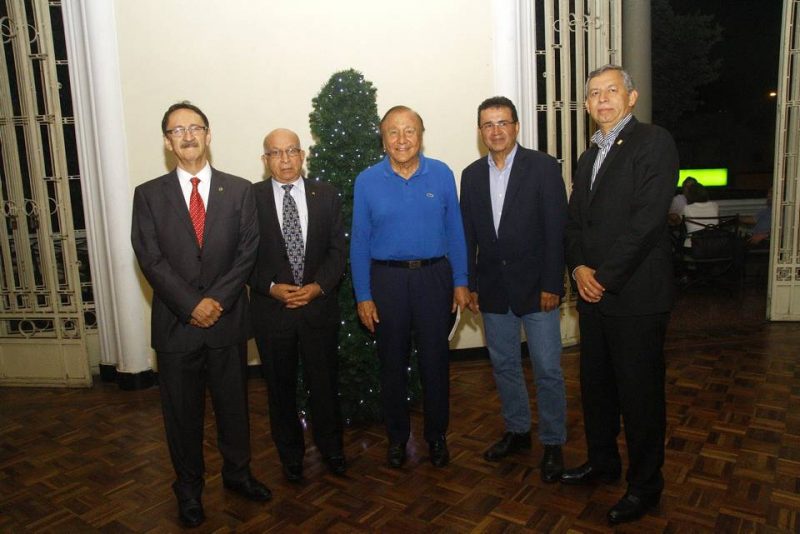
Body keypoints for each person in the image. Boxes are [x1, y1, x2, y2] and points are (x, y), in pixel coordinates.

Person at [131, 102, 270, 528]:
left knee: (233, 408)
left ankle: (238, 475)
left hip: (227, 323)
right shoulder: (148, 194)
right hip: (176, 326)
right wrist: (191, 305)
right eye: (177, 130)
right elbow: (149, 258)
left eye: (195, 128)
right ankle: (189, 491)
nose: (187, 136)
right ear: (167, 142)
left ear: (209, 135)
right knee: (182, 416)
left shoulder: (240, 189)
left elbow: (247, 253)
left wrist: (217, 302)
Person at [562, 65, 678, 525]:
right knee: (598, 390)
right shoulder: (588, 157)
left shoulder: (654, 142)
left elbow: (648, 222)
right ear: (587, 105)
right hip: (593, 296)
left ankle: (646, 485)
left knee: (641, 397)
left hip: (635, 297)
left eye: (612, 91)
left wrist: (603, 276)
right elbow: (574, 224)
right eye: (594, 94)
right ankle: (603, 462)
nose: (602, 100)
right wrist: (577, 268)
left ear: (631, 98)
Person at [350, 105, 470, 469]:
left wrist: (461, 281)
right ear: (383, 139)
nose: (402, 139)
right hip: (386, 281)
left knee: (435, 364)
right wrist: (363, 295)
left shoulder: (442, 174)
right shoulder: (367, 180)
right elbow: (359, 241)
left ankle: (436, 437)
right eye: (393, 132)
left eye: (409, 131)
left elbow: (455, 232)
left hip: (434, 278)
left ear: (421, 135)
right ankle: (397, 439)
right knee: (392, 365)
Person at [459, 96, 567, 482]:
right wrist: (469, 284)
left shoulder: (542, 167)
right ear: (480, 131)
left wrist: (553, 283)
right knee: (504, 366)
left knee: (547, 369)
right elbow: (467, 235)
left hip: (539, 290)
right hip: (492, 291)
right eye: (488, 124)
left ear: (517, 126)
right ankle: (518, 432)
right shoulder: (470, 175)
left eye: (503, 122)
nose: (496, 131)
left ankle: (553, 442)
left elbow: (557, 230)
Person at [249, 128, 347, 482]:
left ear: (302, 154)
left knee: (324, 385)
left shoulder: (327, 195)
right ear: (265, 160)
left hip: (318, 310)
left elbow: (338, 251)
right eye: (276, 153)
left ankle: (332, 450)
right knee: (279, 389)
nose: (285, 160)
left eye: (291, 151)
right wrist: (271, 287)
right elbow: (242, 257)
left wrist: (318, 287)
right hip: (271, 312)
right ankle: (290, 455)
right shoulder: (251, 198)